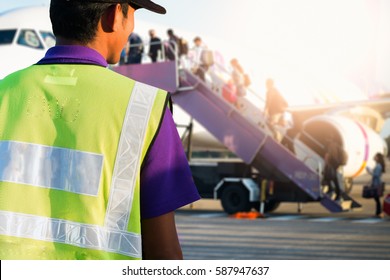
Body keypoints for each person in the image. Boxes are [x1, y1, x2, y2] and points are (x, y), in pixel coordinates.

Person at [0, 0, 200, 260]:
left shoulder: (5, 93)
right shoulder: (146, 107)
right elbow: (163, 252)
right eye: (133, 15)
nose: (131, 29)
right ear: (116, 15)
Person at [322, 136, 347, 202]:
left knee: (328, 176)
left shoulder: (330, 145)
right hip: (336, 162)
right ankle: (335, 191)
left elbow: (329, 155)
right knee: (333, 177)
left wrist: (326, 164)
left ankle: (333, 191)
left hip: (333, 162)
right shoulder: (335, 145)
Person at [366, 153, 386, 218]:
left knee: (376, 198)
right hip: (377, 183)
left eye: (376, 156)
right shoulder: (378, 165)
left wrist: (370, 171)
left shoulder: (378, 166)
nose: (374, 157)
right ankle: (378, 212)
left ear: (378, 158)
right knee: (376, 198)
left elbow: (376, 175)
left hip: (377, 184)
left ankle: (379, 213)